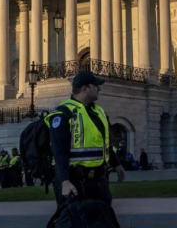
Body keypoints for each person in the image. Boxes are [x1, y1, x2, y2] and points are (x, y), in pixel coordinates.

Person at [48, 71, 126, 206]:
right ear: (85, 89)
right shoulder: (64, 113)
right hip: (75, 181)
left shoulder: (99, 112)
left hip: (100, 180)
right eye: (95, 85)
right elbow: (59, 150)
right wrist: (64, 181)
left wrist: (117, 164)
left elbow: (105, 144)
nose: (99, 88)